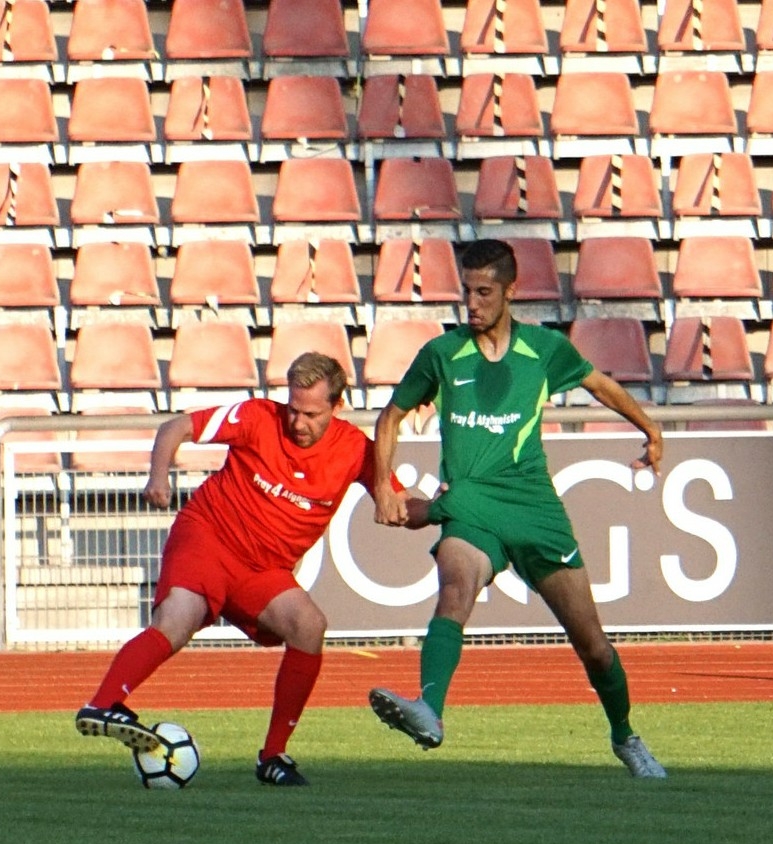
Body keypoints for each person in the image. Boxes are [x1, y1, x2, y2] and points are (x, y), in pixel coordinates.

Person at [366, 238, 667, 778]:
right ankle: (429, 709)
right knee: (454, 592)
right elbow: (390, 416)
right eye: (466, 291)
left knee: (594, 647)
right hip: (469, 504)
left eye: (484, 292)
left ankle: (626, 736)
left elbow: (600, 385)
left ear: (511, 291)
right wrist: (384, 489)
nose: (472, 303)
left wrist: (651, 428)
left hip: (533, 508)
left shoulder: (543, 349)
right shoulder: (442, 353)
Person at [75, 351, 410, 786]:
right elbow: (175, 427)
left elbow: (401, 504)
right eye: (293, 409)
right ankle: (102, 704)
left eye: (310, 414)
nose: (297, 422)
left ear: (337, 406)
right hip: (209, 536)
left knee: (308, 625)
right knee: (177, 619)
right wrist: (159, 475)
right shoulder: (257, 417)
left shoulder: (354, 450)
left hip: (261, 569)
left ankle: (273, 757)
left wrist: (447, 509)